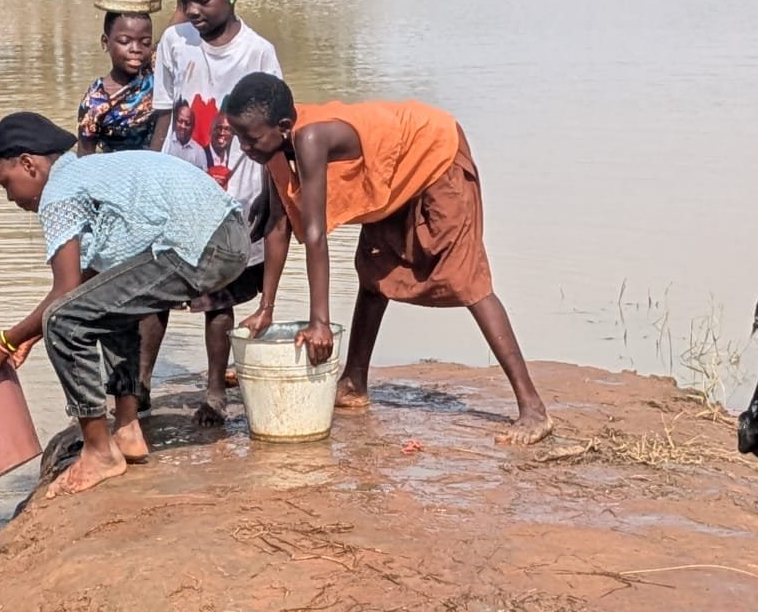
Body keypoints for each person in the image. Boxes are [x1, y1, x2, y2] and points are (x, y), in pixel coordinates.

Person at [225, 73, 554, 447]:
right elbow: (278, 224)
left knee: (467, 280)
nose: (243, 147)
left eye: (249, 138)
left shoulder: (309, 138)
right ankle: (353, 383)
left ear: (283, 127)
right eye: (238, 137)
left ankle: (533, 409)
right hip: (394, 174)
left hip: (432, 154)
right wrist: (266, 308)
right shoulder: (272, 148)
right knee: (373, 274)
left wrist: (320, 323)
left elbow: (315, 234)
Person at [0, 111, 248, 496]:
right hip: (228, 237)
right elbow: (87, 287)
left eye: (6, 184)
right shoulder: (87, 173)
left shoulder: (59, 192)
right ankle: (128, 430)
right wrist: (28, 338)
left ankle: (99, 451)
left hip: (201, 244)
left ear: (28, 165)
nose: (9, 197)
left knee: (64, 323)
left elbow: (64, 293)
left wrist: (5, 340)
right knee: (104, 308)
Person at [140, 0, 283, 427]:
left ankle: (215, 391)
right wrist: (149, 177)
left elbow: (277, 131)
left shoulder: (258, 52)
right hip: (179, 192)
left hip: (234, 196)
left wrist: (270, 194)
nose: (195, 9)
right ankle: (138, 387)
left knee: (218, 299)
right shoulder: (176, 44)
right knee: (156, 291)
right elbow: (164, 115)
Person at [76, 11, 156, 155]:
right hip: (121, 173)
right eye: (125, 41)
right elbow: (84, 161)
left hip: (165, 166)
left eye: (145, 42)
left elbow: (180, 15)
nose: (136, 49)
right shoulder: (95, 103)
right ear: (105, 42)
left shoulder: (153, 69)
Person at [163, 98, 209, 169]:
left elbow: (202, 177)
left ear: (193, 126)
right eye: (180, 121)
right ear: (175, 122)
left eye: (187, 123)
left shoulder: (199, 152)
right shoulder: (165, 143)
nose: (183, 126)